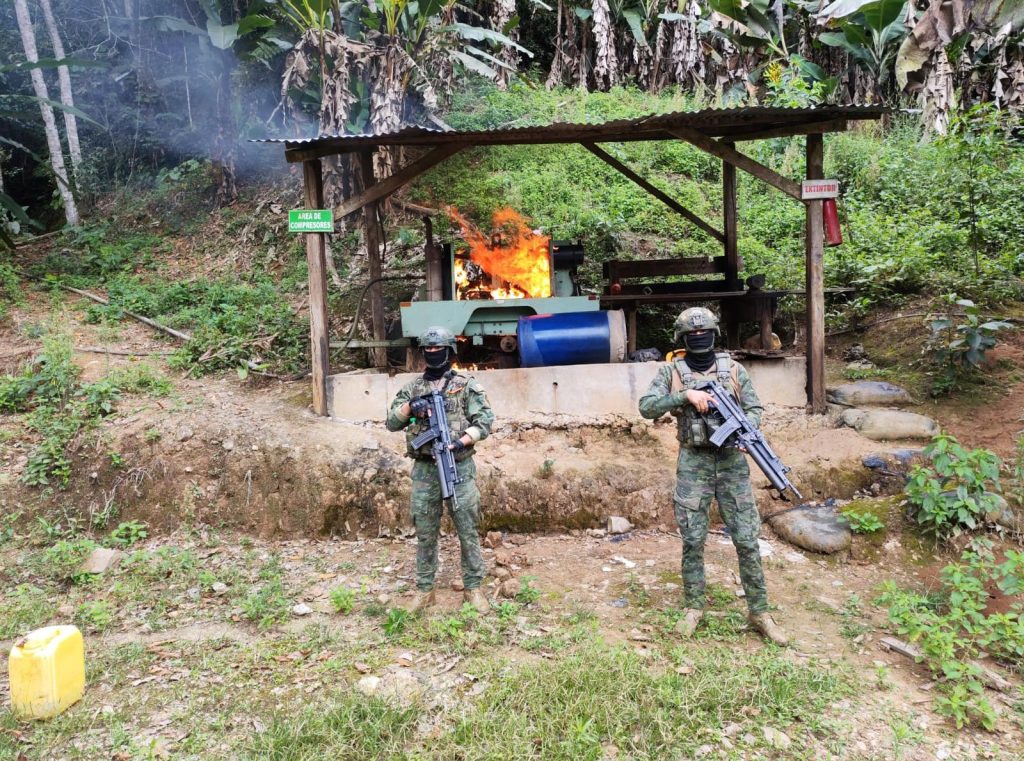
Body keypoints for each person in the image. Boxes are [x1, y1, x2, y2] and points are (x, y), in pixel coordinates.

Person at [638, 307, 788, 646]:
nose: (698, 338)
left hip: (732, 462)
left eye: (704, 333)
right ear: (681, 339)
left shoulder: (733, 370)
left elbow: (755, 408)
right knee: (692, 538)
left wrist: (746, 431)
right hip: (694, 462)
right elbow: (646, 406)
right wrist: (685, 396)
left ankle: (760, 611)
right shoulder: (671, 372)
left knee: (747, 539)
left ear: (714, 334)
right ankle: (693, 607)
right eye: (691, 335)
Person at [387, 326, 495, 615]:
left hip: (458, 465)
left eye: (439, 350)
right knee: (425, 531)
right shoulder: (412, 388)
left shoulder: (466, 385)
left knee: (467, 529)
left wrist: (459, 441)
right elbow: (391, 422)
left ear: (450, 351)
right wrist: (412, 407)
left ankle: (473, 587)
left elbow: (485, 421)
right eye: (428, 350)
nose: (433, 354)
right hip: (424, 470)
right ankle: (425, 590)